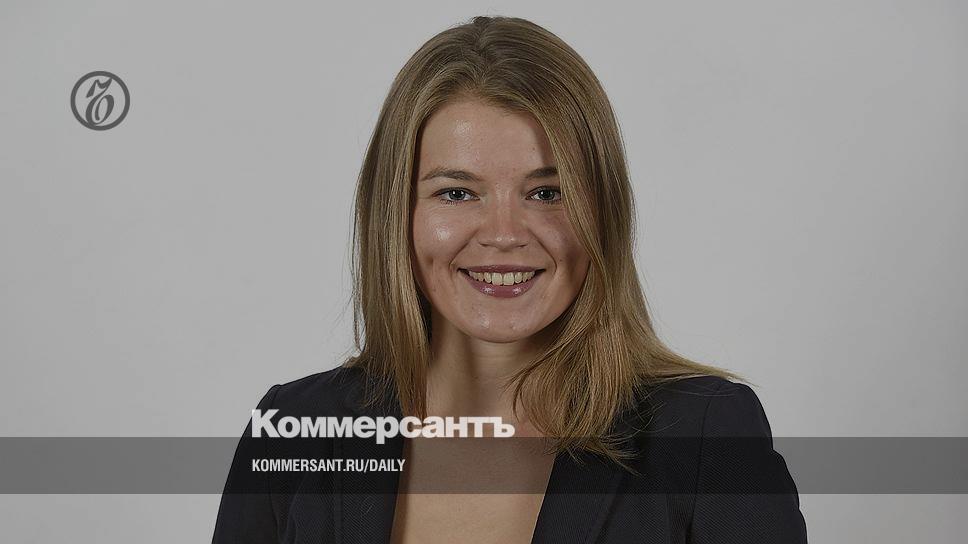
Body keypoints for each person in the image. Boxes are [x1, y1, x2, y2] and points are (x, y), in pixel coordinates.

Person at [213, 15, 808, 543]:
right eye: (456, 192)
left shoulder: (705, 437)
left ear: (603, 212)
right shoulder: (296, 431)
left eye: (547, 192)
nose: (504, 233)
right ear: (395, 213)